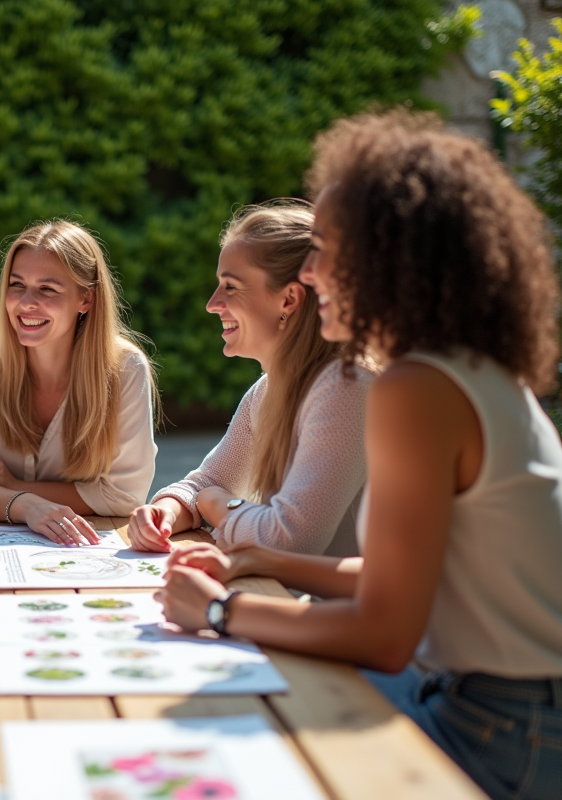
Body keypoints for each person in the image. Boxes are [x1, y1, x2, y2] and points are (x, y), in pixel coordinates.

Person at [158, 112, 562, 800]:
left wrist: (220, 612)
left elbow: (384, 634)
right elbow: (406, 581)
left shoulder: (415, 387)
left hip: (501, 727)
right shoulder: (462, 370)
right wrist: (266, 561)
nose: (311, 274)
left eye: (325, 249)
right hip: (511, 709)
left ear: (388, 259)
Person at [128, 202, 371, 556]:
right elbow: (206, 481)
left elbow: (289, 537)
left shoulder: (345, 389)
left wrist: (215, 505)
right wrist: (163, 512)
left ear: (288, 299)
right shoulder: (269, 390)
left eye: (230, 287)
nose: (212, 304)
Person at [0, 220, 157, 545]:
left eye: (47, 289)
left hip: (86, 547)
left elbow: (124, 496)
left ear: (86, 300)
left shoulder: (125, 369)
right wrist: (27, 506)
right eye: (17, 285)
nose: (26, 303)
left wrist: (8, 485)